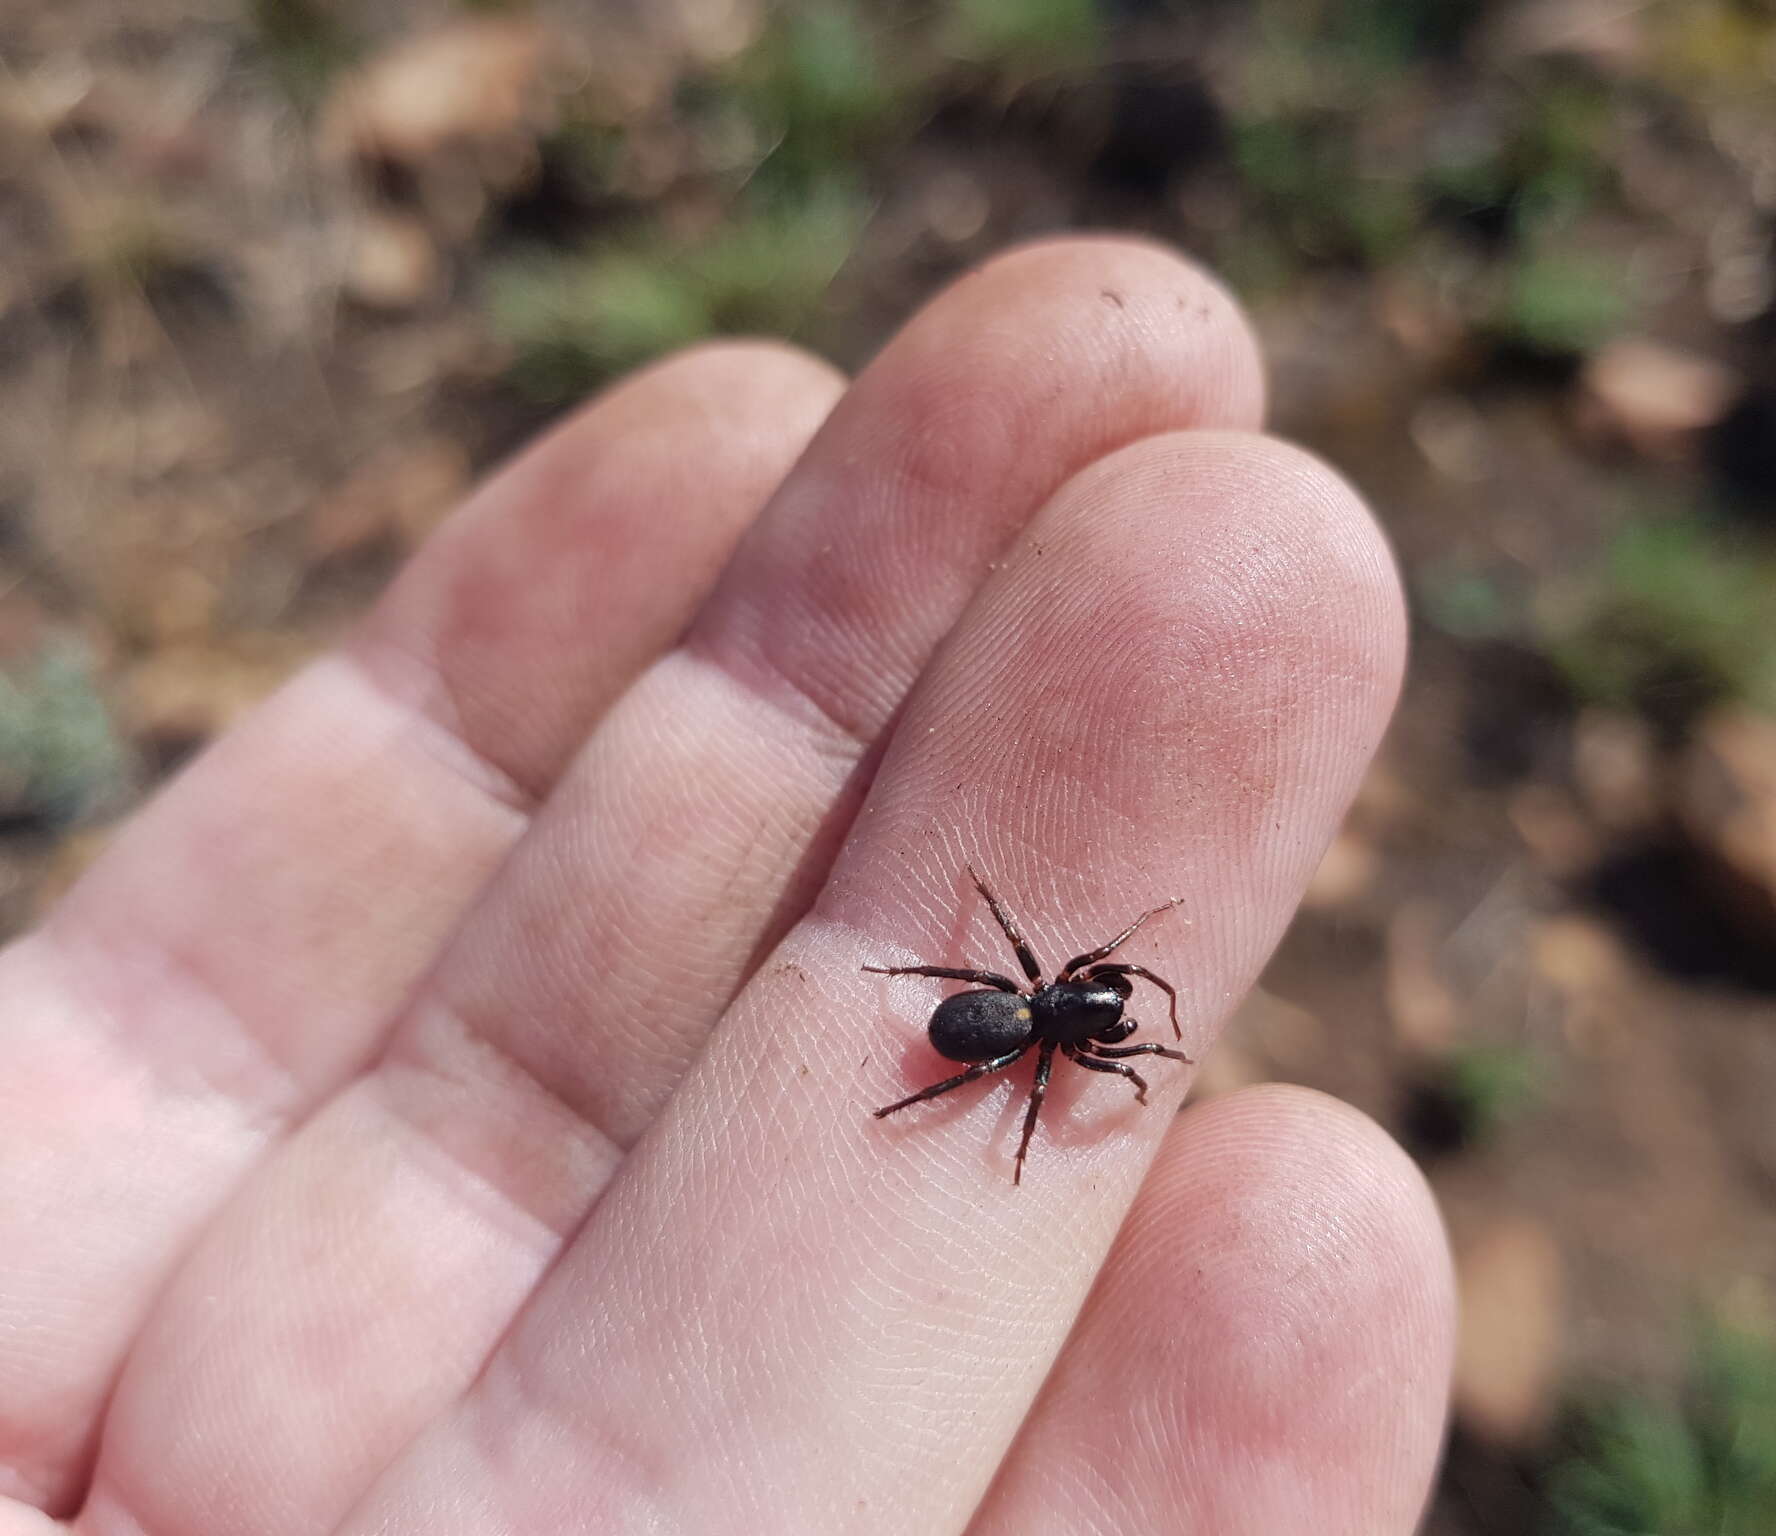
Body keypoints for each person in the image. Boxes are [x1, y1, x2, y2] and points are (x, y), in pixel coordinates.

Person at [0, 238, 1453, 1534]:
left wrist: (1050, 1047)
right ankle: (909, 1052)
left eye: (1098, 1006)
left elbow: (1074, 1026)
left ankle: (909, 1054)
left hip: (960, 1033)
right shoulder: (1049, 1026)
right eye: (1100, 1001)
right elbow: (1079, 1027)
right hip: (957, 1033)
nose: (1099, 1009)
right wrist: (1054, 1044)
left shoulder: (1046, 1027)